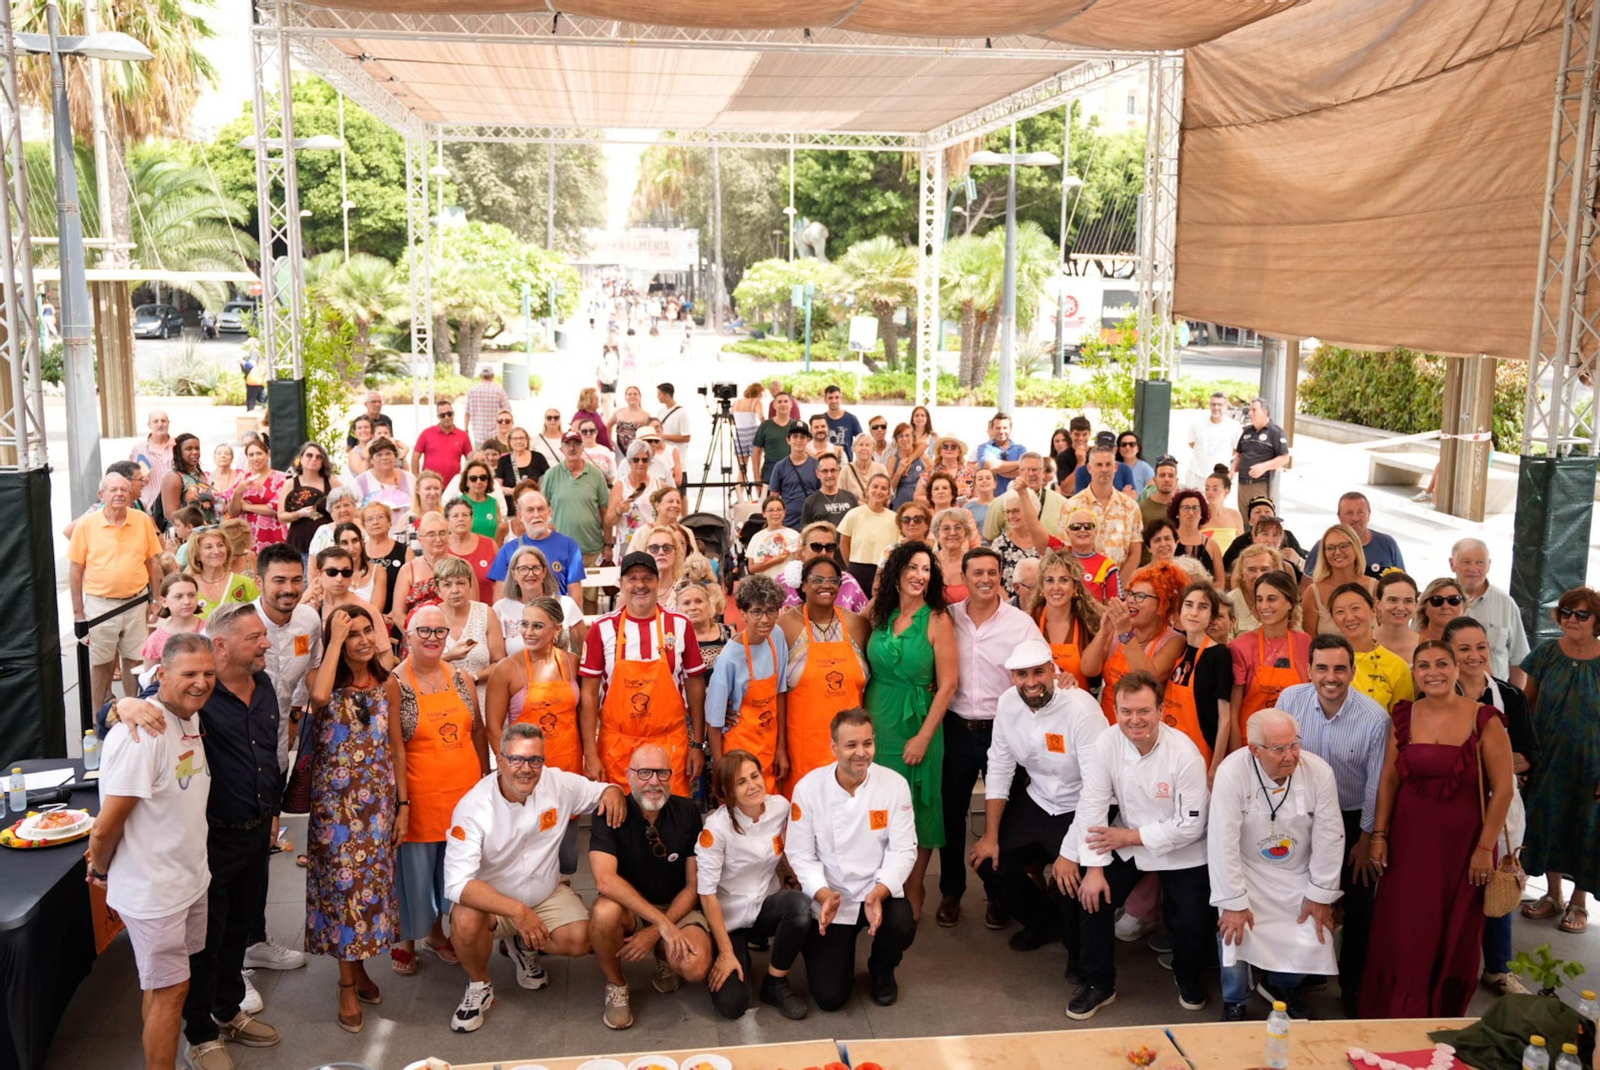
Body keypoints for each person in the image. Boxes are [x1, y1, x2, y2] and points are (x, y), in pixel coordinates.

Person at [442, 722, 628, 1032]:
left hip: (545, 894)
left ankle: (523, 946)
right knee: (463, 919)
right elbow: (457, 883)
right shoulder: (473, 807)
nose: (526, 769)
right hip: (496, 904)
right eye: (516, 759)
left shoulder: (557, 783)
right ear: (500, 761)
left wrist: (614, 794)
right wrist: (518, 912)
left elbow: (605, 791)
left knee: (581, 939)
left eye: (535, 760)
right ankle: (480, 984)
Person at [1361, 641, 1514, 1017]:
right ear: (1414, 673)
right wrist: (1378, 835)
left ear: (1456, 668)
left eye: (1442, 664)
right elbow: (1389, 779)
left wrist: (1484, 847)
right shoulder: (1404, 715)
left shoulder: (1485, 719)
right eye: (1424, 665)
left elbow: (1504, 788)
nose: (1434, 672)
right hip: (1409, 841)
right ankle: (1395, 1009)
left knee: (1454, 926)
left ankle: (1439, 1011)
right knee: (1405, 926)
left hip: (1464, 845)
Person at [89, 632, 217, 1070]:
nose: (201, 682)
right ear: (161, 674)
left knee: (159, 988)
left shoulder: (189, 716)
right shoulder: (142, 733)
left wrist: (115, 704)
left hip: (188, 880)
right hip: (155, 891)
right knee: (171, 991)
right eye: (189, 674)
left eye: (208, 673)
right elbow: (106, 826)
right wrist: (103, 871)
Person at [1059, 671, 1212, 1019]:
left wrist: (1130, 837)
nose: (1135, 720)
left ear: (1160, 710)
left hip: (1181, 849)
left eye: (1144, 711)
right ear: (1115, 711)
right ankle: (1099, 983)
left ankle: (1187, 975)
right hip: (1124, 840)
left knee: (1190, 920)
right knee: (1093, 899)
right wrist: (1094, 870)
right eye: (1126, 711)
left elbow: (1191, 824)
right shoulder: (1106, 743)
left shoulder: (1185, 754)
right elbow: (1093, 806)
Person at [1275, 634, 1391, 1014]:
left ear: (1353, 671)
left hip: (1350, 816)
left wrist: (1366, 838)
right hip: (1298, 813)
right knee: (1295, 894)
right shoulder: (1290, 700)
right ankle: (1296, 978)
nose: (1331, 676)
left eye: (1340, 668)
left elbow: (1377, 783)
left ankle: (1353, 986)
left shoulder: (1375, 718)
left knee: (1359, 906)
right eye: (1322, 667)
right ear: (1308, 669)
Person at [968, 637, 1104, 955]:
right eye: (1022, 675)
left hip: (1082, 803)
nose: (1031, 682)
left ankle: (1080, 951)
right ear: (1012, 677)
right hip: (1039, 797)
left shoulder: (1082, 709)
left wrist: (1070, 852)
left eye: (1038, 672)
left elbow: (1097, 789)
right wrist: (990, 835)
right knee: (989, 861)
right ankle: (1044, 922)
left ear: (1054, 671)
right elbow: (1000, 768)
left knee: (1073, 878)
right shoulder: (1007, 704)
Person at [1209, 708, 1344, 1021]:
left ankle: (1278, 986)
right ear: (1254, 750)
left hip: (1297, 874)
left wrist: (1319, 894)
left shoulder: (1319, 772)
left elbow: (1330, 835)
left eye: (1294, 745)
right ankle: (1235, 999)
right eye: (1279, 748)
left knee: (1317, 933)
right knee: (1232, 932)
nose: (1291, 756)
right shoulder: (1232, 772)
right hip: (1247, 871)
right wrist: (1233, 901)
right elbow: (1222, 840)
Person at [302, 606, 398, 1032]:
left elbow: (397, 747)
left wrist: (405, 807)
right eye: (350, 633)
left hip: (377, 805)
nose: (361, 639)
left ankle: (357, 969)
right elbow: (320, 698)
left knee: (367, 891)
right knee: (343, 891)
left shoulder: (388, 683)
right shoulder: (319, 678)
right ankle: (345, 984)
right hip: (334, 807)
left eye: (366, 631)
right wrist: (334, 642)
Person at [937, 548, 1043, 929]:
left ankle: (999, 894)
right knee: (950, 814)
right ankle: (951, 891)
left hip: (1002, 733)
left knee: (1006, 816)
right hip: (957, 727)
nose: (985, 579)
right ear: (963, 578)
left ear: (1002, 576)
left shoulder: (1020, 624)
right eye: (977, 572)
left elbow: (1043, 669)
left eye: (993, 572)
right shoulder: (947, 619)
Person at [786, 708, 918, 1009]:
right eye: (851, 745)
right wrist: (822, 894)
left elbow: (904, 849)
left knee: (901, 923)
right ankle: (817, 945)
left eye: (867, 744)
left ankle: (882, 969)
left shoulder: (894, 785)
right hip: (833, 896)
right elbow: (800, 855)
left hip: (877, 890)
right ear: (834, 748)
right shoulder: (808, 789)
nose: (861, 753)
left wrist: (879, 892)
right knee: (831, 999)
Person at [386, 605, 490, 977]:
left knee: (452, 872)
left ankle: (436, 933)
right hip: (419, 797)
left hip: (462, 798)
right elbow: (394, 747)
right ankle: (405, 939)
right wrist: (401, 802)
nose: (433, 638)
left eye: (439, 632)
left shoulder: (461, 677)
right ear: (408, 636)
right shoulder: (394, 683)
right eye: (424, 631)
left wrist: (485, 780)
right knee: (414, 874)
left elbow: (477, 732)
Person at [588, 743, 715, 1029]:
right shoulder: (608, 813)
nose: (654, 782)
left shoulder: (688, 812)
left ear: (672, 776)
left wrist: (657, 929)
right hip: (629, 909)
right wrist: (658, 926)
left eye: (662, 773)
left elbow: (694, 885)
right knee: (603, 913)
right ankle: (616, 983)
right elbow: (605, 881)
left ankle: (663, 955)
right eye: (644, 773)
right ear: (628, 775)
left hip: (676, 907)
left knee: (695, 966)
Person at [1443, 616, 1538, 995]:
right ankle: (1450, 962)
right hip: (1451, 804)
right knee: (1453, 881)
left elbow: (1529, 754)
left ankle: (1498, 967)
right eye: (1464, 648)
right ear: (1449, 652)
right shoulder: (1433, 694)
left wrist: (1500, 766)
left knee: (1498, 881)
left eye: (1480, 647)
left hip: (1500, 804)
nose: (1474, 655)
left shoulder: (1508, 696)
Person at [864, 541, 957, 919]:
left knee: (917, 807)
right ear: (896, 574)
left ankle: (914, 886)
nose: (920, 576)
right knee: (879, 806)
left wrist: (923, 737)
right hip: (878, 720)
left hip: (918, 722)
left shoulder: (937, 618)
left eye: (926, 570)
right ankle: (879, 885)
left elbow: (948, 683)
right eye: (912, 569)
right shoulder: (880, 614)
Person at [580, 551, 708, 796]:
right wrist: (590, 754)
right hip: (617, 749)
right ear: (621, 584)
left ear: (658, 582)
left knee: (672, 823)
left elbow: (695, 686)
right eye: (632, 578)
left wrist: (697, 744)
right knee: (619, 821)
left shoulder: (680, 624)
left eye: (647, 578)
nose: (640, 585)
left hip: (670, 745)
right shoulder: (602, 628)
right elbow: (588, 697)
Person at [697, 750, 813, 1020]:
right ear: (727, 791)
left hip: (764, 906)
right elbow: (706, 895)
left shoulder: (780, 807)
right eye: (741, 782)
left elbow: (784, 846)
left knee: (798, 905)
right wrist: (726, 953)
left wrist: (788, 873)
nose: (752, 786)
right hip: (729, 920)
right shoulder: (715, 829)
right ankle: (734, 953)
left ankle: (775, 982)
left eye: (755, 776)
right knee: (732, 1006)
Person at [1518, 587, 1600, 935]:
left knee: (1586, 829)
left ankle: (1579, 901)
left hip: (1591, 763)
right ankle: (1553, 895)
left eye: (1581, 614)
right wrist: (1523, 756)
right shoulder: (1546, 653)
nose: (1572, 619)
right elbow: (1525, 707)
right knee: (1546, 822)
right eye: (1566, 612)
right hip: (1547, 758)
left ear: (1597, 619)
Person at [777, 554, 871, 794]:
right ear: (803, 584)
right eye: (817, 579)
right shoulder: (785, 625)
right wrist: (780, 748)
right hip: (803, 747)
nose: (826, 585)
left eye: (833, 580)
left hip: (852, 747)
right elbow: (773, 688)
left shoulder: (857, 624)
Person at [70, 471, 164, 709]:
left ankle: (135, 710)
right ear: (101, 495)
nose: (119, 494)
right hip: (101, 605)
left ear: (130, 494)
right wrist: (78, 613)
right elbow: (75, 569)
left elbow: (152, 562)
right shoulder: (86, 525)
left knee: (135, 661)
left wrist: (155, 601)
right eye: (113, 490)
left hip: (137, 602)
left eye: (124, 489)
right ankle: (96, 717)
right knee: (101, 663)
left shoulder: (141, 519)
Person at [706, 575, 790, 792]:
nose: (765, 620)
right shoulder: (729, 659)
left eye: (771, 611)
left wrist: (781, 748)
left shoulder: (776, 636)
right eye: (756, 612)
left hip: (769, 746)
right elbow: (714, 722)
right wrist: (720, 768)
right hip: (738, 752)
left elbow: (780, 692)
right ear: (742, 613)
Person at [1081, 563, 1187, 725]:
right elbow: (1088, 668)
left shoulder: (1174, 641)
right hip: (1106, 726)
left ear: (1161, 606)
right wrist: (1104, 631)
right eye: (1130, 593)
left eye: (1140, 596)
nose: (1131, 600)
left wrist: (1125, 633)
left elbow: (1148, 679)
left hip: (1142, 729)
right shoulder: (1117, 632)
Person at [1169, 581, 1235, 771]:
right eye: (1189, 605)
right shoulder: (1179, 647)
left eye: (1203, 607)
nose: (1194, 612)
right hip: (1171, 749)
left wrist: (1215, 767)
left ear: (1211, 617)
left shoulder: (1219, 655)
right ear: (1180, 611)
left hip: (1202, 754)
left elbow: (1225, 719)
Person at [1451, 538, 1530, 687]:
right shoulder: (1436, 601)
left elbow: (1518, 660)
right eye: (1466, 562)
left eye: (1480, 562)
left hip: (1494, 696)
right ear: (1452, 564)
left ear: (1489, 565)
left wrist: (1515, 701)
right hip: (1448, 695)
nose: (1473, 569)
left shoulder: (1506, 604)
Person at [1326, 583, 1414, 712]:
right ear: (1333, 619)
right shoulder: (1324, 660)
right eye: (1340, 612)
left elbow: (1402, 721)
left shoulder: (1397, 666)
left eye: (1355, 608)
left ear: (1373, 611)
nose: (1349, 617)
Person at [490, 488, 587, 601]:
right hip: (520, 615)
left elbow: (575, 593)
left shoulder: (569, 545)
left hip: (557, 613)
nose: (536, 515)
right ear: (520, 516)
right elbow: (499, 596)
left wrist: (572, 617)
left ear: (549, 512)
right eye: (530, 510)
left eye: (541, 509)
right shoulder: (507, 550)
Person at [435, 554, 505, 707]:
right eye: (447, 585)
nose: (455, 590)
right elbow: (417, 664)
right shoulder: (430, 617)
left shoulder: (486, 613)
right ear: (438, 590)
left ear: (470, 585)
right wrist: (449, 656)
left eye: (461, 583)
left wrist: (474, 678)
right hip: (441, 700)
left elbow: (499, 662)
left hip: (481, 698)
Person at [491, 547, 583, 660]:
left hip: (560, 674)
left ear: (544, 572)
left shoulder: (566, 604)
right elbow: (497, 659)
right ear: (513, 574)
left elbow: (585, 649)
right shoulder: (501, 608)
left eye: (536, 568)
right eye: (523, 569)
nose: (530, 574)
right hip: (517, 675)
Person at [1030, 549, 1103, 690]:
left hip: (1079, 707)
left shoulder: (1091, 625)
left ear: (1075, 587)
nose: (1056, 587)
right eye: (1050, 580)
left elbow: (1095, 673)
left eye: (1064, 580)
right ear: (1042, 587)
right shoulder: (1029, 622)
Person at [543, 429, 610, 582]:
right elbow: (542, 507)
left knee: (590, 598)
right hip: (559, 548)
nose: (572, 448)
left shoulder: (596, 474)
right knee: (562, 595)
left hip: (591, 547)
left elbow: (604, 510)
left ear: (582, 448)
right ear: (562, 449)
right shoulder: (551, 474)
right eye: (568, 445)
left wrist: (608, 544)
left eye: (576, 444)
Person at [1065, 445, 1144, 571]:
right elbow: (1065, 550)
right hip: (1081, 583)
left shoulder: (1131, 507)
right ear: (1089, 468)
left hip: (1120, 583)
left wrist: (1118, 586)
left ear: (1116, 467)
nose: (1104, 469)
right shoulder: (1071, 506)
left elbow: (1135, 553)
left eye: (1108, 464)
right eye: (1099, 465)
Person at [1301, 524, 1378, 636]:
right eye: (1330, 548)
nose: (1337, 552)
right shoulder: (1313, 592)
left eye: (1344, 546)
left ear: (1356, 548)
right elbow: (1308, 641)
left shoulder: (1375, 587)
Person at [991, 488, 1066, 595]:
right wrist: (1010, 606)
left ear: (1031, 511)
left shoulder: (1045, 541)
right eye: (1008, 512)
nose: (1011, 516)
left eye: (1016, 511)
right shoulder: (999, 544)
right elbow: (993, 581)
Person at [983, 452, 1068, 542]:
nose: (1030, 474)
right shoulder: (1001, 502)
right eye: (1025, 470)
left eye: (1034, 469)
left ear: (1043, 472)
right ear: (1019, 472)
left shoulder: (1061, 502)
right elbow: (990, 537)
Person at [838, 473, 898, 594]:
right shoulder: (854, 514)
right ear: (867, 490)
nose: (878, 491)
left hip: (884, 571)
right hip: (857, 570)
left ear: (888, 494)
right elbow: (844, 544)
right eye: (875, 486)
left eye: (883, 488)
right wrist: (851, 566)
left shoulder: (895, 518)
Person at [225, 440, 288, 552]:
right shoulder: (242, 478)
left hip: (274, 535)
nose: (255, 458)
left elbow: (276, 509)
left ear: (268, 455)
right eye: (251, 455)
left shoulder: (280, 478)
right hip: (247, 538)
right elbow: (233, 513)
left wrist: (247, 507)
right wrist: (237, 493)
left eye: (259, 453)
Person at [1230, 398, 1290, 513]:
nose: (1250, 413)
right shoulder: (1247, 431)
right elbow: (1240, 454)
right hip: (1242, 484)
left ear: (1265, 412)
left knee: (1260, 520)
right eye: (1249, 410)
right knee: (1245, 521)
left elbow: (1284, 457)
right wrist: (1232, 470)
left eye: (1254, 410)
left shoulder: (1275, 432)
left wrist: (1264, 466)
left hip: (1261, 485)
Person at [352, 438, 416, 539]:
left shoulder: (409, 478)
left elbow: (418, 504)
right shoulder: (361, 482)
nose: (384, 458)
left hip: (408, 533)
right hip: (374, 536)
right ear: (371, 460)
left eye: (388, 453)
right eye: (379, 455)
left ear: (395, 457)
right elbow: (353, 511)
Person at [442, 497, 498, 597]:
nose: (461, 519)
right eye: (455, 516)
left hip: (487, 608)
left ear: (472, 520)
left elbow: (501, 581)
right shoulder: (441, 547)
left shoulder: (489, 544)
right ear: (447, 521)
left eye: (465, 515)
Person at [769, 424, 821, 530]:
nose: (799, 440)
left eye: (802, 437)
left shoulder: (817, 465)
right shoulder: (779, 467)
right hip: (788, 524)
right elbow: (773, 498)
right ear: (788, 440)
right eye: (795, 436)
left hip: (812, 522)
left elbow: (822, 493)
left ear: (808, 440)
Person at [160, 433, 217, 527]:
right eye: (189, 449)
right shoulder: (174, 477)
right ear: (179, 452)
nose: (195, 452)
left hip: (206, 531)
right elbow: (171, 513)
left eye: (197, 448)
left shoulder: (201, 474)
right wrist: (190, 530)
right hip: (186, 534)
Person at [412, 399, 473, 486]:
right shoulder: (426, 433)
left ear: (453, 413)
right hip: (430, 485)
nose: (447, 417)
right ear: (438, 417)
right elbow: (415, 458)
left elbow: (471, 460)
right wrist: (417, 479)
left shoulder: (463, 435)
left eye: (449, 414)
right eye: (442, 415)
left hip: (453, 486)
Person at [1186, 392, 1238, 490]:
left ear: (1226, 406)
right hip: (1196, 475)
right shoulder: (1197, 423)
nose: (1216, 407)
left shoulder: (1234, 427)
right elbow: (1191, 443)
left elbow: (1236, 450)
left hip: (1220, 476)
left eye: (1220, 404)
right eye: (1213, 404)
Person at [752, 392, 805, 485]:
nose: (783, 404)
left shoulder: (797, 426)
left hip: (793, 474)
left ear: (791, 404)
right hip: (769, 473)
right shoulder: (765, 425)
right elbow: (756, 452)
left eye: (786, 401)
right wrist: (757, 477)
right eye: (779, 402)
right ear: (774, 405)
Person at [129, 409, 174, 511]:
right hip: (148, 506)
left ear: (168, 423)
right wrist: (140, 479)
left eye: (163, 421)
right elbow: (130, 477)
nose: (160, 424)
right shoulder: (139, 449)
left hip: (176, 505)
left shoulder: (178, 445)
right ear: (149, 425)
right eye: (155, 421)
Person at [1372, 569, 1421, 664]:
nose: (1400, 608)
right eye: (1393, 600)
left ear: (1416, 605)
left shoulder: (1426, 647)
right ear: (1378, 603)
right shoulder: (1360, 644)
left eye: (1408, 601)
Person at [746, 494, 801, 575]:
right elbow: (751, 568)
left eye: (779, 510)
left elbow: (800, 562)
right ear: (764, 513)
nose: (775, 513)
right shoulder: (757, 537)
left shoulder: (794, 535)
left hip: (787, 585)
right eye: (771, 510)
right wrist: (775, 561)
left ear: (784, 512)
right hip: (764, 584)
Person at [932, 508, 978, 601]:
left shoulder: (974, 563)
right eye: (946, 528)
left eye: (958, 527)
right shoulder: (928, 562)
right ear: (937, 535)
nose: (953, 533)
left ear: (965, 533)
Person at [802, 451, 858, 527]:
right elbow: (805, 533)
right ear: (818, 474)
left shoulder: (850, 498)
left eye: (833, 470)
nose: (829, 475)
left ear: (839, 471)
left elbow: (858, 526)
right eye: (825, 471)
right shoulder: (810, 502)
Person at [976, 412, 1026, 495]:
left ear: (1010, 429)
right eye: (998, 428)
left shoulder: (1020, 449)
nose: (1001, 431)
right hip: (993, 499)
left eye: (1005, 428)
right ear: (992, 429)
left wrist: (998, 470)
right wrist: (1019, 463)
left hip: (1017, 498)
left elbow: (1023, 472)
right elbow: (991, 466)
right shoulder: (984, 448)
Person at [498, 424, 550, 503]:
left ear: (527, 440)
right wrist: (513, 491)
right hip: (512, 505)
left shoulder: (538, 457)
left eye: (522, 438)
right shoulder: (503, 461)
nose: (519, 441)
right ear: (509, 441)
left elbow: (549, 480)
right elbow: (498, 487)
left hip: (535, 502)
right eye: (515, 438)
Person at [306, 487, 359, 560]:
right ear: (331, 512)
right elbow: (313, 566)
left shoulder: (365, 527)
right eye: (337, 507)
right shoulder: (323, 532)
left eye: (346, 505)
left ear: (354, 506)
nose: (343, 510)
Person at [457, 459, 503, 542]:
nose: (479, 482)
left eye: (483, 478)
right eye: (473, 478)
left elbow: (499, 534)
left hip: (490, 552)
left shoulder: (493, 503)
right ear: (466, 481)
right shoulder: (458, 504)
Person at [1202, 466, 1246, 552]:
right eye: (1207, 488)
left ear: (1226, 491)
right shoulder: (1199, 514)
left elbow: (1242, 547)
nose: (1210, 492)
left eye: (1215, 489)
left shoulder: (1235, 515)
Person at [885, 423, 928, 510]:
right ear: (896, 440)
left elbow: (934, 476)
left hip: (921, 505)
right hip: (901, 504)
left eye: (907, 435)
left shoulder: (922, 456)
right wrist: (899, 472)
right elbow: (890, 489)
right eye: (900, 436)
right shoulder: (892, 460)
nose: (904, 439)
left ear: (913, 438)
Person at [465, 366, 510, 446]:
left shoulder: (472, 391)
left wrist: (466, 429)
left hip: (479, 435)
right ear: (493, 376)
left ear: (480, 376)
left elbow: (467, 413)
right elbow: (507, 412)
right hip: (496, 436)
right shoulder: (499, 391)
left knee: (480, 457)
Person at [1415, 576, 1467, 645]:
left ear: (1463, 606)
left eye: (1453, 600)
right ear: (1424, 608)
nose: (1445, 606)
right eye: (1437, 600)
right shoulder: (1411, 643)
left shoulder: (1474, 641)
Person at [818, 384, 862, 459]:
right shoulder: (820, 420)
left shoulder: (851, 419)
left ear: (841, 398)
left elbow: (861, 440)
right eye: (830, 398)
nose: (834, 401)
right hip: (825, 464)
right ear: (825, 399)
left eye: (837, 397)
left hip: (845, 464)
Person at [842, 432, 887, 502]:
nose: (864, 448)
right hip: (854, 511)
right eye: (860, 445)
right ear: (854, 449)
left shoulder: (881, 469)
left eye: (867, 445)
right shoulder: (846, 470)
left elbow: (888, 495)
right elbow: (840, 497)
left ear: (873, 450)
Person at [656, 382, 691, 453]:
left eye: (659, 394)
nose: (657, 396)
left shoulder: (682, 413)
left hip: (678, 454)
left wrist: (665, 436)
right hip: (663, 453)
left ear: (667, 395)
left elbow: (686, 437)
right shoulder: (661, 412)